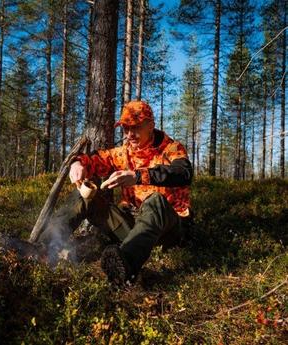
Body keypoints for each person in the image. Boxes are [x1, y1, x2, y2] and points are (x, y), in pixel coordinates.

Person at [39, 100, 193, 285]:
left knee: (156, 201)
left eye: (134, 128)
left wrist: (138, 176)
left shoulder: (171, 148)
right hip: (133, 227)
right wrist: (78, 163)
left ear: (150, 125)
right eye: (125, 129)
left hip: (168, 231)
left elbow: (184, 173)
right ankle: (42, 249)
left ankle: (125, 263)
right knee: (86, 194)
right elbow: (96, 159)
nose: (129, 135)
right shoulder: (123, 153)